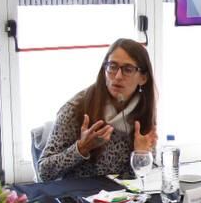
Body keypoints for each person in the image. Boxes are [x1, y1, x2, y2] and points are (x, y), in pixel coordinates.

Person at [38, 39, 158, 181]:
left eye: (128, 69)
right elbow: (44, 172)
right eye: (112, 67)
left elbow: (146, 180)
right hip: (80, 198)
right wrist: (81, 148)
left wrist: (141, 154)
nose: (118, 76)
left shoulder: (143, 110)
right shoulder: (77, 108)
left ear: (143, 78)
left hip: (123, 199)